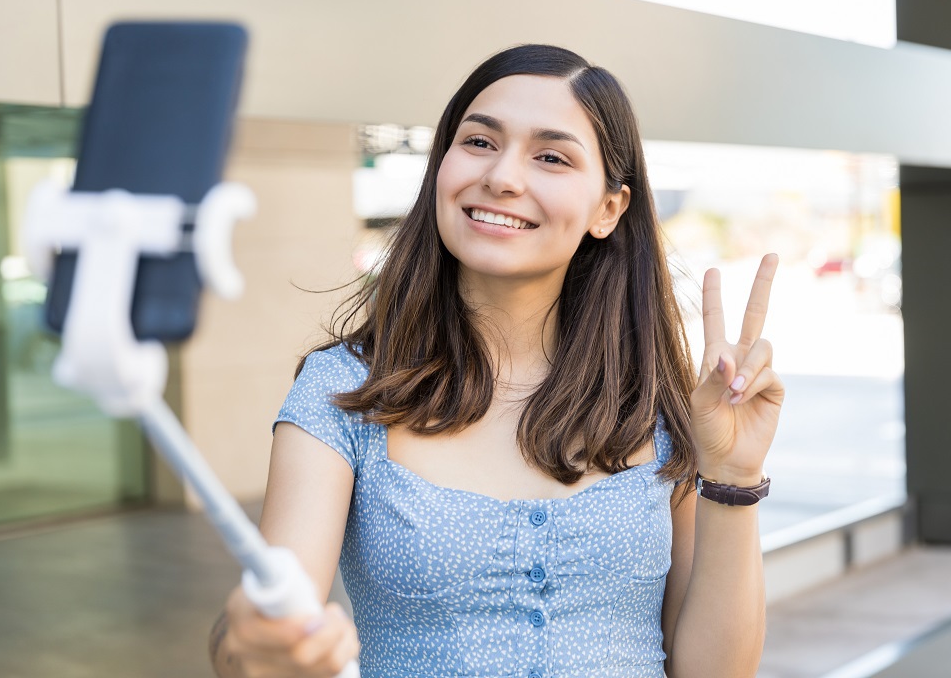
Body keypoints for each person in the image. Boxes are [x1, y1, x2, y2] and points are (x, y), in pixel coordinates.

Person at [209, 44, 784, 678]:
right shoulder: (346, 390)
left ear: (608, 209)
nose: (503, 177)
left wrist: (731, 477)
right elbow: (264, 620)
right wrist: (255, 642)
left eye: (551, 156)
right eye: (480, 143)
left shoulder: (652, 400)